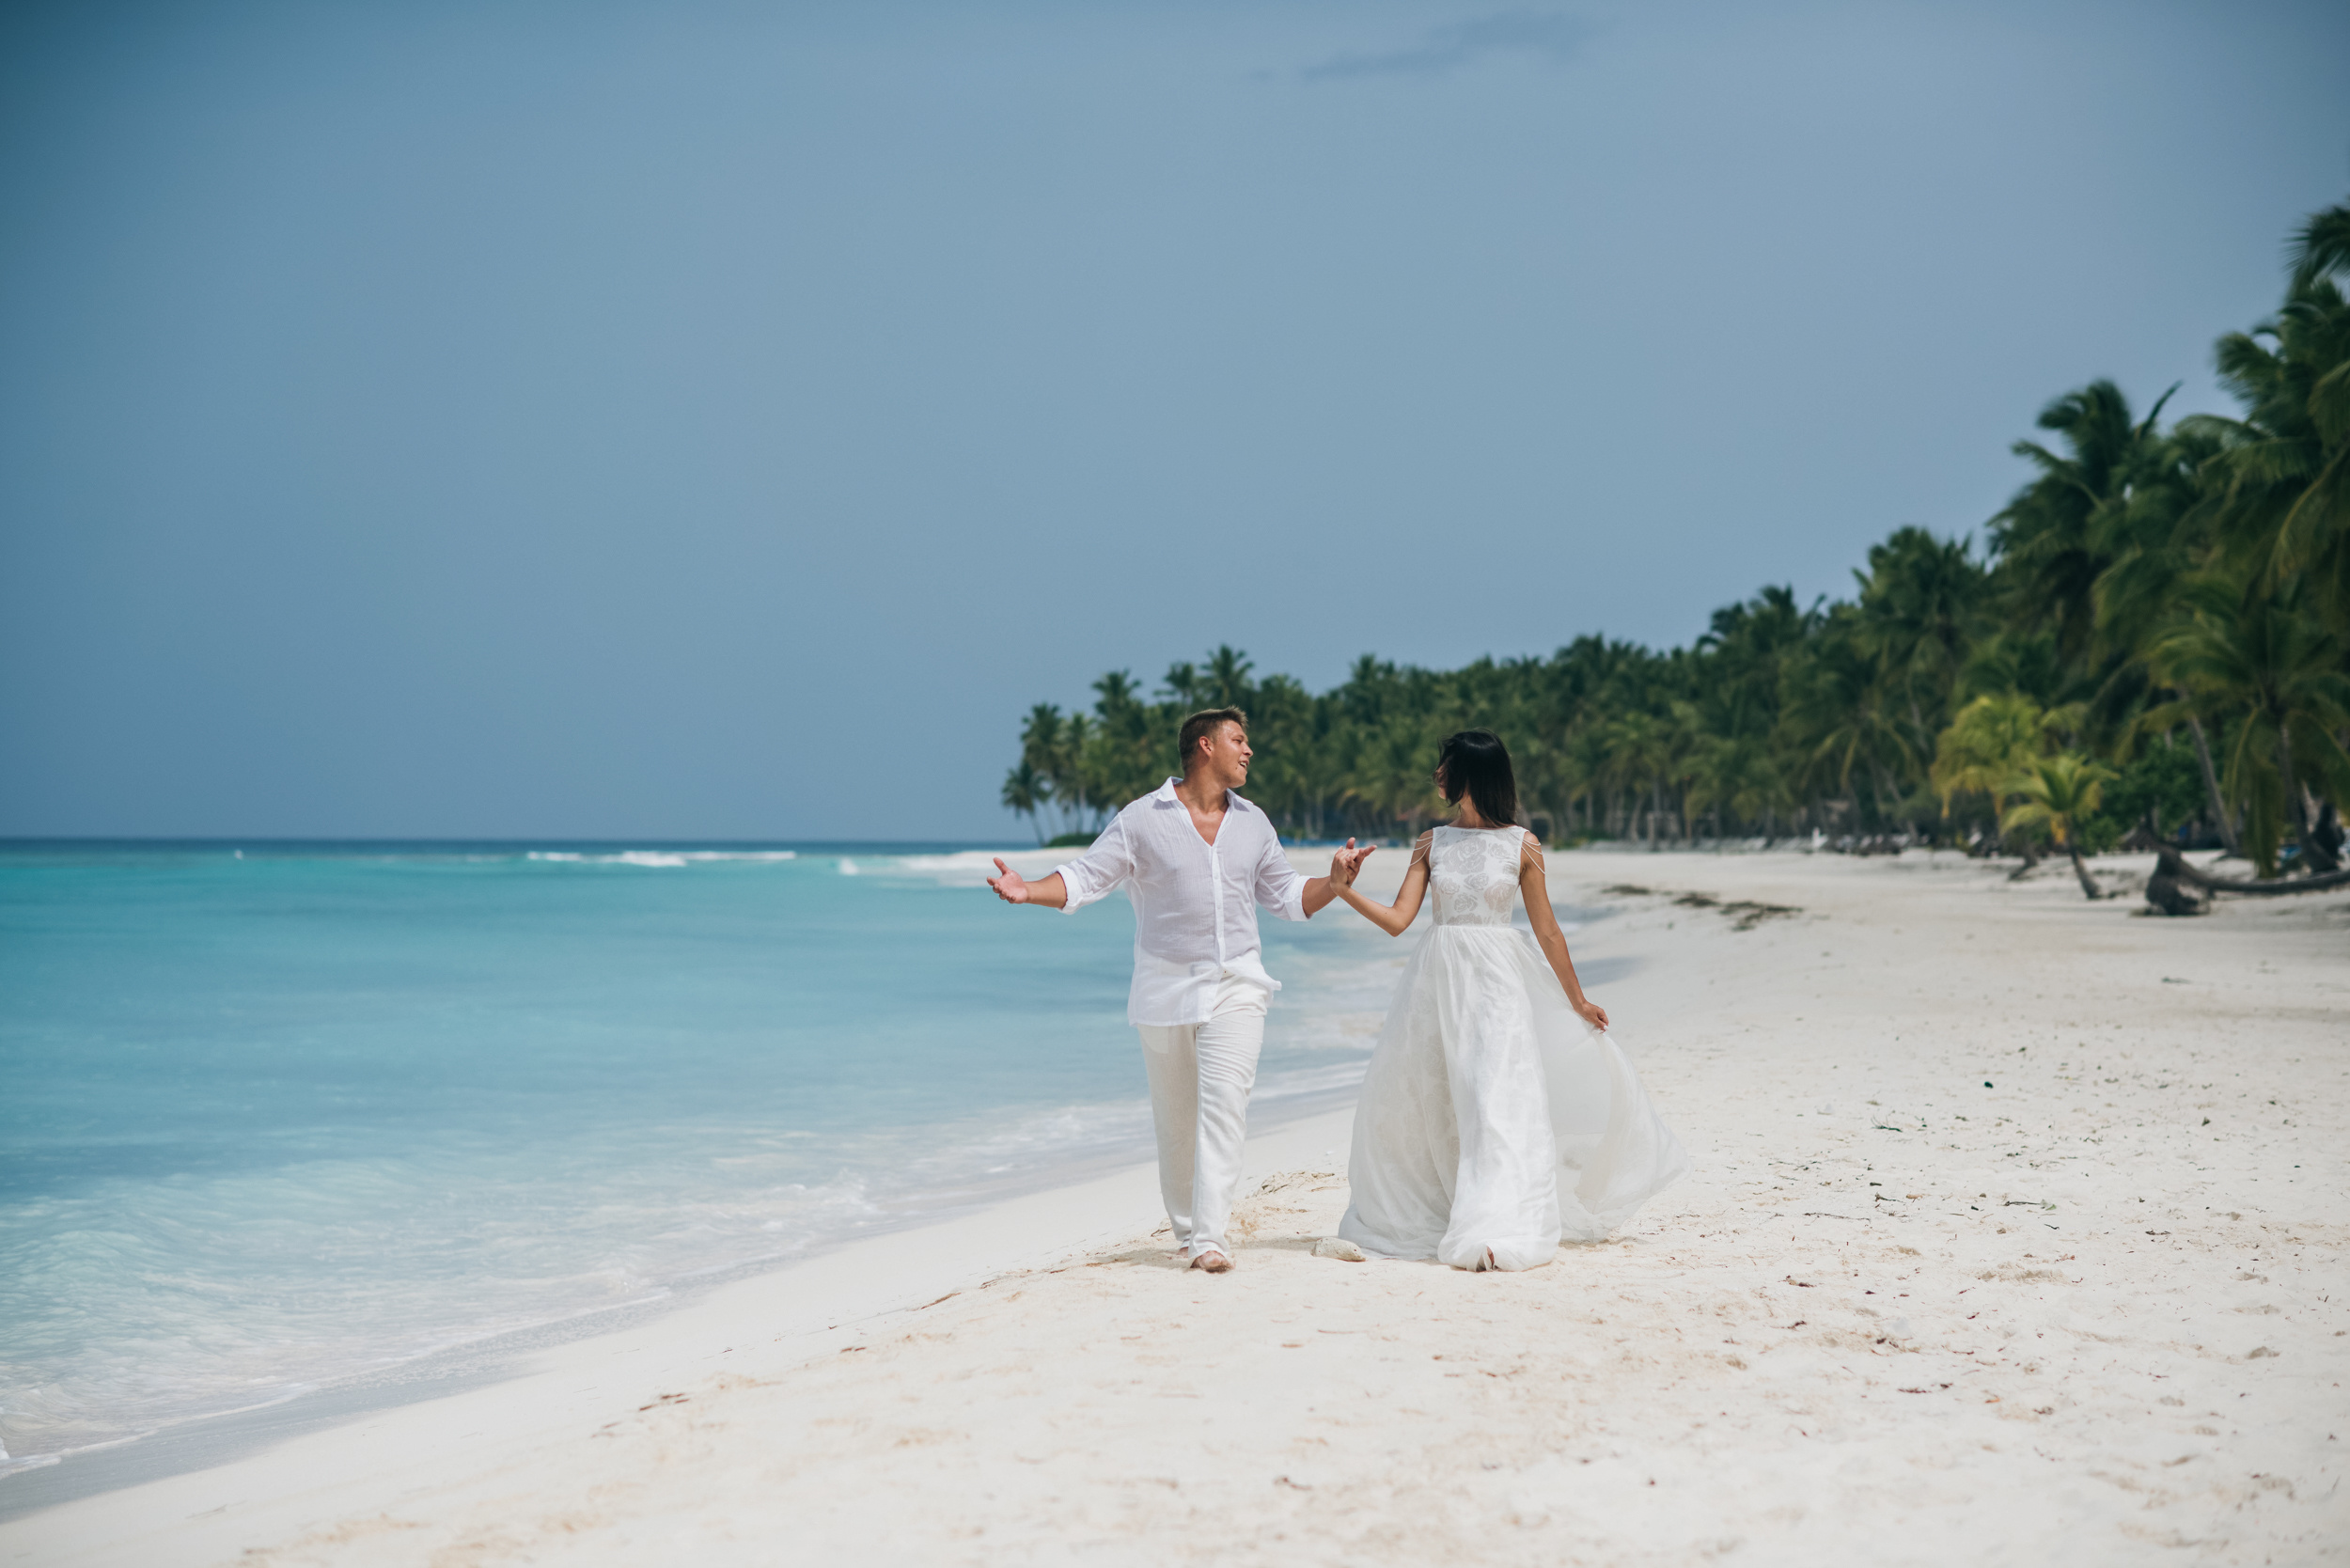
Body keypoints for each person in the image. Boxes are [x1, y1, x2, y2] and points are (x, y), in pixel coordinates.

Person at [987, 708, 1370, 1274]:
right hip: (1164, 989)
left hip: (1237, 984)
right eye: (1239, 739)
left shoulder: (1254, 823)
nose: (1249, 751)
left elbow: (1288, 895)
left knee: (1224, 1106)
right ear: (1204, 745)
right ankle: (1189, 1232)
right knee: (1175, 1122)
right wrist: (1028, 891)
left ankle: (1211, 1238)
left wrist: (1334, 884)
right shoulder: (1143, 819)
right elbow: (1087, 877)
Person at [1329, 729, 1686, 1271]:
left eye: (1444, 766)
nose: (1437, 776)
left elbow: (1547, 931)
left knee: (1496, 1100)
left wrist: (1578, 1001)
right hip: (1435, 986)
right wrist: (1344, 890)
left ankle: (1496, 1225)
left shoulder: (1524, 844)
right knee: (1437, 1103)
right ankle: (1451, 1210)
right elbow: (1400, 921)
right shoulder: (1431, 842)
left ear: (1470, 773)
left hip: (1498, 984)